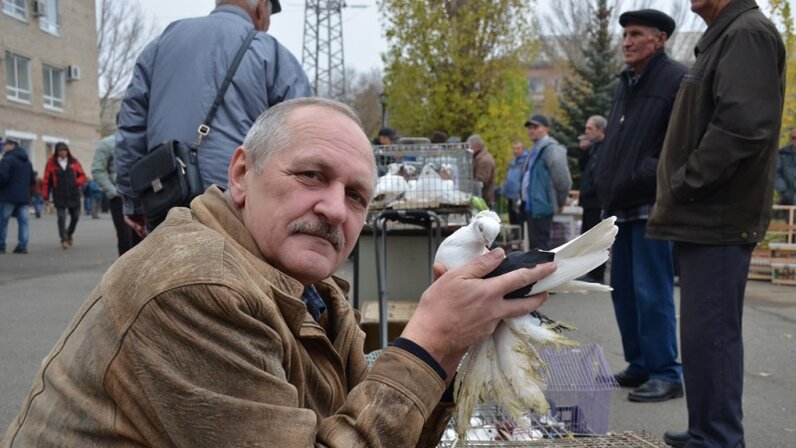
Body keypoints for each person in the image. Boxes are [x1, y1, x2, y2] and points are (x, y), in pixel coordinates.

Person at [2, 98, 555, 447]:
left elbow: (364, 422)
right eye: (312, 176)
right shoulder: (195, 288)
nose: (336, 210)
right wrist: (429, 345)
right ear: (241, 173)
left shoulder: (313, 291)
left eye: (358, 196)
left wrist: (450, 350)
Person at [645, 0, 785, 446]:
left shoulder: (747, 34)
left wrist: (686, 183)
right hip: (705, 213)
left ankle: (720, 437)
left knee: (714, 335)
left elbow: (744, 126)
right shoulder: (726, 35)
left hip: (718, 214)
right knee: (703, 337)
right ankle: (706, 430)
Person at [115, 0, 312, 238]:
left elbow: (131, 129)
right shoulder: (274, 55)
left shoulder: (162, 43)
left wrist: (133, 200)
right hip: (239, 206)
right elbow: (304, 141)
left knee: (169, 272)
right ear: (261, 7)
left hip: (166, 197)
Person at [594, 9, 686, 404]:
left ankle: (666, 372)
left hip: (650, 202)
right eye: (625, 35)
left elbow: (679, 144)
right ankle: (640, 364)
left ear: (660, 38)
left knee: (652, 291)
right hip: (621, 203)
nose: (627, 42)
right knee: (625, 291)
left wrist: (644, 173)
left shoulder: (676, 79)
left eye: (636, 34)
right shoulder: (626, 83)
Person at [521, 114, 572, 250]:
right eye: (530, 128)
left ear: (546, 129)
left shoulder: (552, 149)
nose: (531, 130)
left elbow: (563, 180)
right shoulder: (535, 150)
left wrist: (560, 202)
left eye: (536, 127)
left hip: (542, 207)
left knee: (541, 251)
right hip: (532, 207)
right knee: (535, 250)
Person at [92, 135, 142, 256]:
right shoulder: (107, 144)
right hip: (119, 197)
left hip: (140, 196)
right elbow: (97, 170)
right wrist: (113, 192)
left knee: (142, 239)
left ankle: (141, 273)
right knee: (126, 240)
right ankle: (125, 274)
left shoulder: (140, 139)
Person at [577, 115, 606, 283]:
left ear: (600, 130)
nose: (586, 132)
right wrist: (583, 151)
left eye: (590, 128)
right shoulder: (593, 148)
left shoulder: (606, 147)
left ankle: (597, 274)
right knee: (588, 238)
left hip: (598, 201)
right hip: (588, 200)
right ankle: (591, 272)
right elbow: (583, 169)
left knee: (597, 239)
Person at [43, 141, 87, 250]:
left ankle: (69, 233)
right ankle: (63, 239)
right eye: (60, 150)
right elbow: (46, 181)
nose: (63, 152)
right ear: (57, 152)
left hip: (74, 194)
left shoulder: (74, 162)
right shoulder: (51, 164)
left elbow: (83, 176)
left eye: (65, 150)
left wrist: (77, 182)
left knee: (75, 216)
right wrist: (46, 197)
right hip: (59, 195)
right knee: (61, 217)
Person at [0, 138, 34, 254]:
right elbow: (32, 180)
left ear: (11, 145)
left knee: (2, 221)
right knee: (23, 222)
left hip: (8, 196)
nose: (3, 147)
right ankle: (22, 245)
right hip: (23, 196)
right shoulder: (27, 161)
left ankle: (1, 245)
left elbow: (2, 176)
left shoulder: (8, 159)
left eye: (5, 145)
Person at [503, 141, 529, 237]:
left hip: (519, 197)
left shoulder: (525, 162)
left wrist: (520, 194)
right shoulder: (513, 162)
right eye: (514, 148)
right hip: (510, 196)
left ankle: (521, 242)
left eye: (517, 148)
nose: (515, 151)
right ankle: (515, 241)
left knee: (519, 222)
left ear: (523, 149)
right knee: (512, 221)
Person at [468, 134, 496, 209]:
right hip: (482, 199)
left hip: (484, 201)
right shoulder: (478, 158)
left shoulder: (484, 161)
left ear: (475, 147)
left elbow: (481, 181)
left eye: (469, 146)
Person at [775, 128, 796, 205]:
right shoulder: (782, 153)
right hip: (787, 199)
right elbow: (776, 174)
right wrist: (784, 190)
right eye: (794, 138)